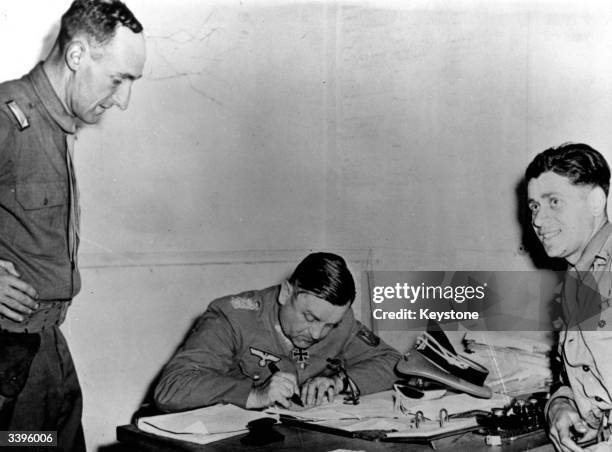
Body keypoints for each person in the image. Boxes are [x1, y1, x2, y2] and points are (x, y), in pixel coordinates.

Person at [0, 1, 146, 449]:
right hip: (9, 355)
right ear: (78, 55)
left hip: (46, 349)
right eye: (118, 79)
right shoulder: (7, 117)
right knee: (25, 446)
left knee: (50, 445)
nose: (122, 100)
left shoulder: (56, 125)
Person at [154, 252, 401, 411]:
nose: (317, 334)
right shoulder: (233, 318)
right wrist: (255, 394)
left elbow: (394, 363)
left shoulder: (340, 320)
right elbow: (171, 388)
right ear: (286, 293)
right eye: (310, 317)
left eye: (330, 325)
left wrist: (338, 382)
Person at [526, 143, 612, 452]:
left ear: (595, 201)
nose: (537, 220)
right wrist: (560, 408)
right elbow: (573, 380)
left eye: (554, 202)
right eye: (535, 206)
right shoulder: (575, 281)